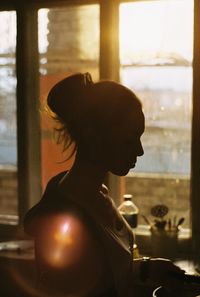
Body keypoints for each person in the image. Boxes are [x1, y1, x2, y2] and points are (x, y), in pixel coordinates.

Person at [24, 73, 185, 297]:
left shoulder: (95, 193)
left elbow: (99, 275)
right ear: (95, 135)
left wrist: (147, 268)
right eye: (129, 139)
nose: (139, 150)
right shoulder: (66, 217)